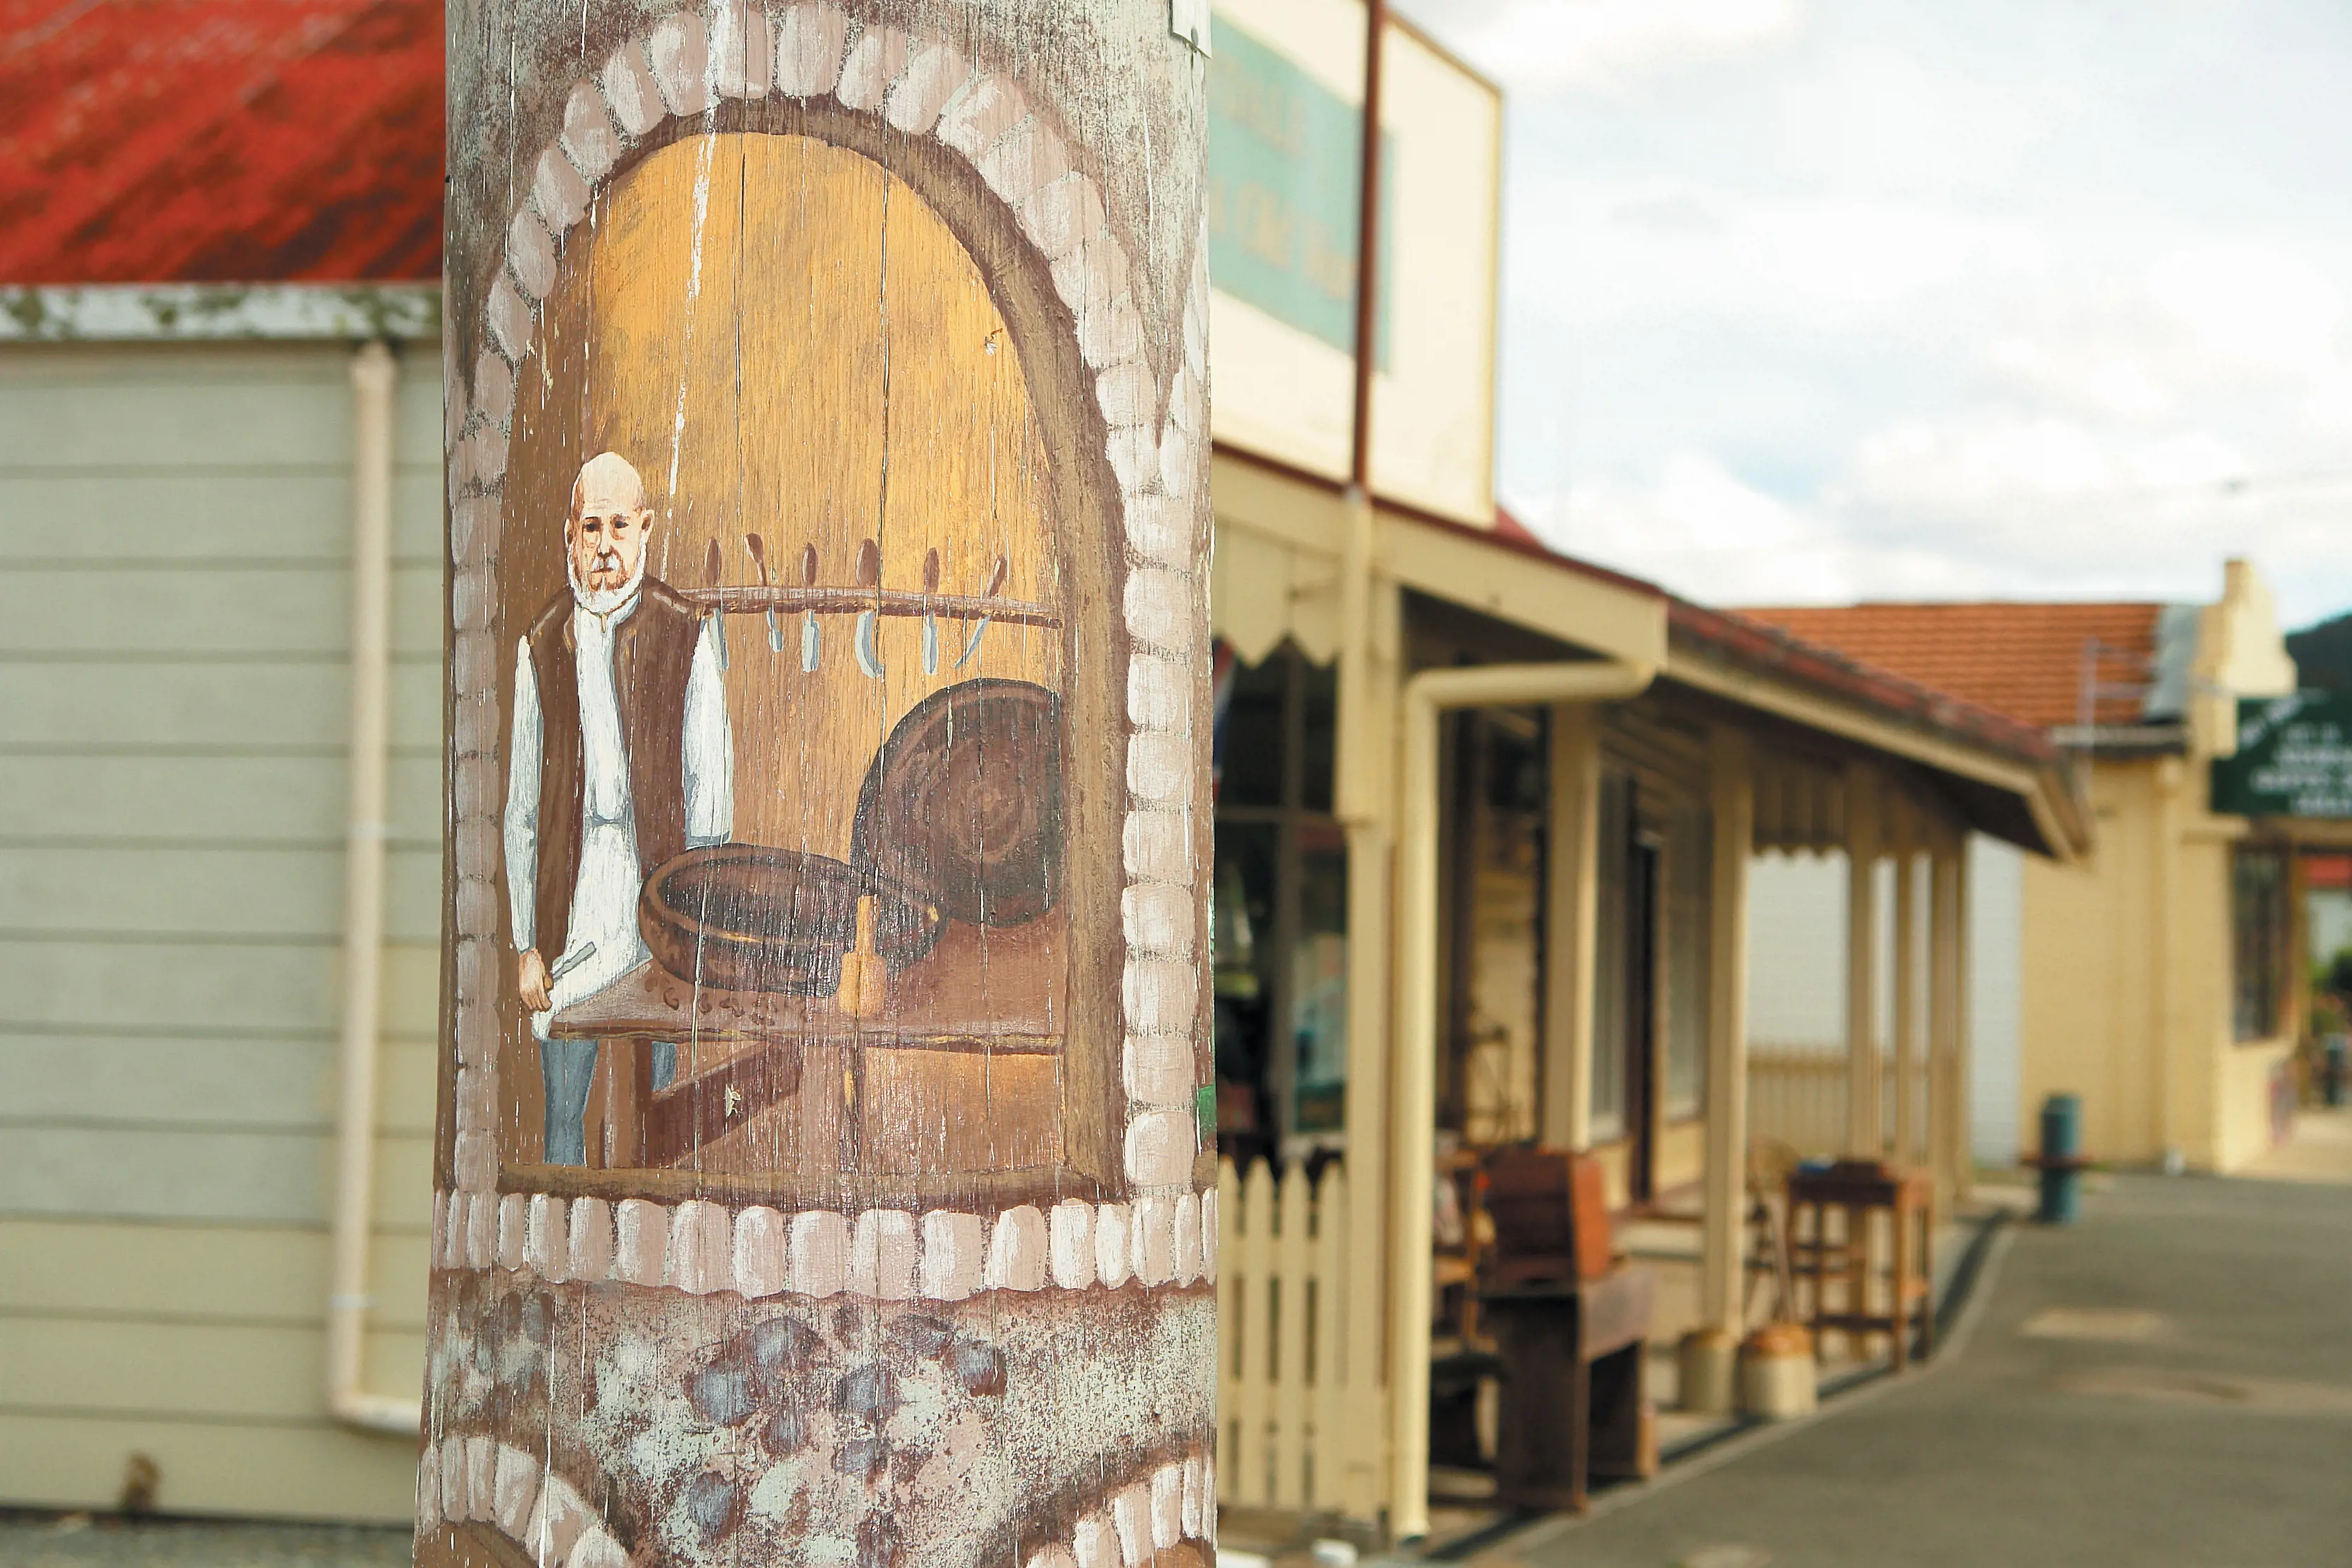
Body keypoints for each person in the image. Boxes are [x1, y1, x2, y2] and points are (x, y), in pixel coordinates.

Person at [503, 452, 733, 1166]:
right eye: (591, 526)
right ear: (571, 533)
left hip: (661, 905)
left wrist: (699, 922)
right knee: (564, 1109)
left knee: (656, 1117)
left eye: (620, 526)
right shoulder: (541, 646)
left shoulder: (685, 630)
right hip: (573, 907)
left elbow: (711, 795)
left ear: (645, 530)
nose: (606, 545)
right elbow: (519, 811)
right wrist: (524, 945)